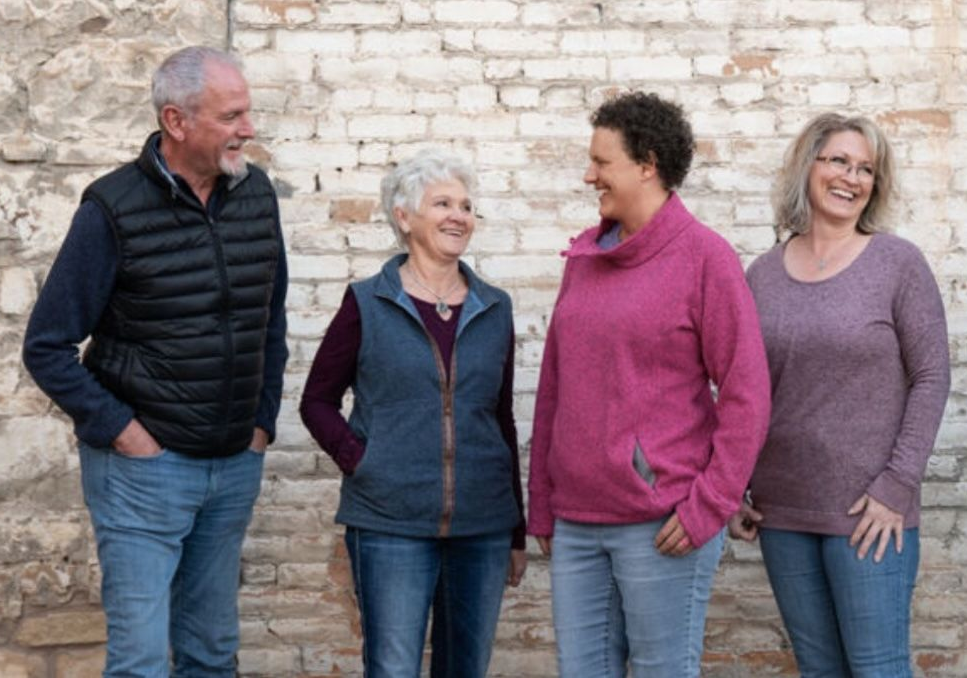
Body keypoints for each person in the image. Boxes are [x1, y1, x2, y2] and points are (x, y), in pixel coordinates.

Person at [22, 46, 288, 677]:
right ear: (177, 121)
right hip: (144, 475)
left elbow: (269, 320)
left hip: (232, 466)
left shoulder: (256, 197)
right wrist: (127, 434)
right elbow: (47, 345)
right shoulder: (111, 209)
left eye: (247, 112)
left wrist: (260, 424)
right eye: (231, 115)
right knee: (141, 662)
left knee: (211, 655)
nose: (248, 129)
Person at [527, 91, 772, 677]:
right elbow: (555, 388)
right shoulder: (584, 258)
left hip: (660, 525)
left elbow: (747, 391)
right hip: (578, 524)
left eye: (601, 162)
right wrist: (542, 505)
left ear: (648, 164)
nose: (589, 176)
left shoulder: (704, 257)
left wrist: (709, 505)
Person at [728, 113, 950, 678]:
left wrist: (896, 487)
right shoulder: (762, 275)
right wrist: (736, 486)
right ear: (809, 167)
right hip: (781, 511)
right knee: (819, 669)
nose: (852, 177)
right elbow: (743, 388)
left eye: (866, 169)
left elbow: (931, 376)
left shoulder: (896, 263)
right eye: (839, 162)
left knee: (877, 669)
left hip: (870, 514)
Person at [299, 149, 526, 678]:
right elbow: (316, 401)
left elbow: (502, 417)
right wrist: (363, 461)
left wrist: (514, 528)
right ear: (404, 217)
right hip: (389, 524)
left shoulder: (495, 307)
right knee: (393, 668)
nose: (459, 215)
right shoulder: (367, 302)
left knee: (465, 668)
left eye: (467, 206)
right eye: (442, 202)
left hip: (483, 525)